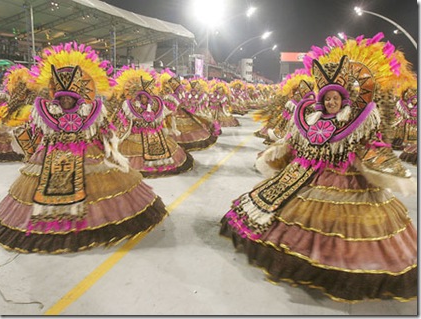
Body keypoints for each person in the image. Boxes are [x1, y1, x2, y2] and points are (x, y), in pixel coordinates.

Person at [220, 34, 417, 303]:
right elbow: (292, 144)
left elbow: (370, 146)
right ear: (321, 99)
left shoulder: (359, 120)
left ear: (344, 99)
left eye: (335, 98)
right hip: (305, 175)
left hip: (348, 180)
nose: (331, 102)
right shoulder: (310, 118)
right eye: (327, 98)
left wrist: (386, 168)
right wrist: (275, 154)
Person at [0, 42, 168, 253]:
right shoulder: (45, 111)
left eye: (70, 97)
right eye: (63, 97)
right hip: (51, 155)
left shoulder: (91, 110)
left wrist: (110, 144)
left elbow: (103, 129)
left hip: (87, 153)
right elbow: (35, 133)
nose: (67, 101)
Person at [111, 66, 194, 177]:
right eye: (142, 97)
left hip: (155, 134)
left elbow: (163, 115)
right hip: (137, 135)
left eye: (147, 96)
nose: (144, 99)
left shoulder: (156, 104)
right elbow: (125, 121)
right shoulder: (130, 105)